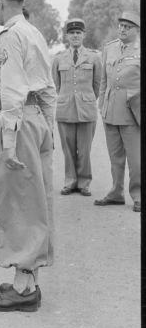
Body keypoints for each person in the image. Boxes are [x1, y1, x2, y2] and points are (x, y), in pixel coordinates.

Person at [0, 0, 56, 312]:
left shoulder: (11, 35)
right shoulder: (34, 32)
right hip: (34, 119)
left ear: (0, 2)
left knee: (16, 204)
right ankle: (28, 281)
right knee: (33, 201)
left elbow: (11, 91)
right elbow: (48, 89)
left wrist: (9, 142)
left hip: (18, 122)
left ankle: (23, 290)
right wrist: (46, 129)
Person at [94, 11, 141, 212]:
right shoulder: (110, 48)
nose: (122, 29)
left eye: (127, 27)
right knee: (115, 158)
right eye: (121, 25)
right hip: (111, 110)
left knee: (136, 159)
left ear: (137, 30)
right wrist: (102, 103)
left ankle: (138, 195)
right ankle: (116, 192)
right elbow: (104, 79)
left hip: (132, 112)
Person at [51, 19, 101, 196]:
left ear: (84, 35)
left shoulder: (94, 57)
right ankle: (70, 181)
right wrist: (67, 97)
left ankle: (84, 182)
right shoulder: (58, 58)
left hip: (86, 110)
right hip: (65, 109)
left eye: (78, 33)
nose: (75, 36)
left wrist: (86, 99)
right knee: (68, 148)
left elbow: (98, 85)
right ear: (66, 36)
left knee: (85, 150)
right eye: (71, 33)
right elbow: (55, 84)